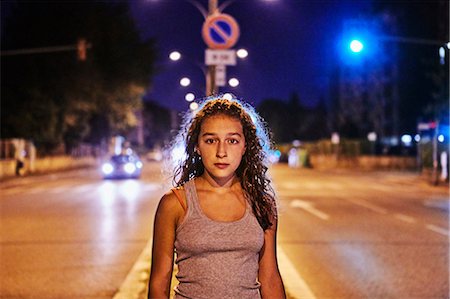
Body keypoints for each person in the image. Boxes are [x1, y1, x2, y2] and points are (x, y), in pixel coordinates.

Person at [148, 95, 286, 299]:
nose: (221, 152)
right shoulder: (175, 203)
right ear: (197, 146)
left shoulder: (262, 203)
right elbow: (160, 280)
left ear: (245, 146)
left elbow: (270, 277)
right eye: (211, 140)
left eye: (232, 140)